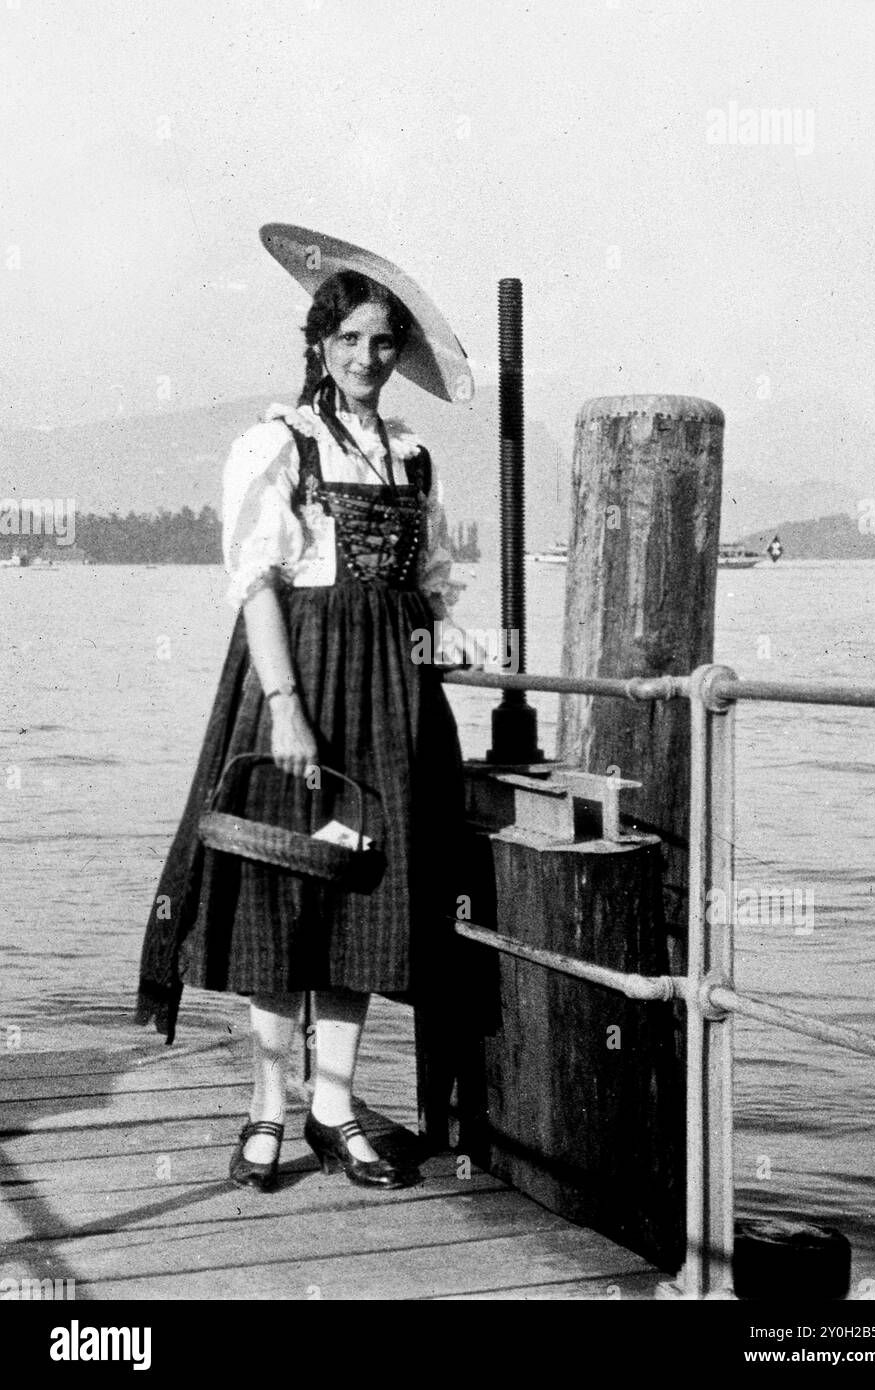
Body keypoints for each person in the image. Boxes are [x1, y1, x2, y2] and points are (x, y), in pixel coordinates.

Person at [136, 226, 472, 1192]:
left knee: (364, 890)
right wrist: (285, 709)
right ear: (319, 347)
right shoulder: (277, 443)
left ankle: (335, 1109)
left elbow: (433, 586)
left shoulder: (411, 458)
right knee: (284, 890)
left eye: (383, 344)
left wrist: (454, 650)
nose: (368, 360)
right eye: (351, 342)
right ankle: (266, 1110)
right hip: (300, 673)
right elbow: (257, 585)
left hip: (391, 693)